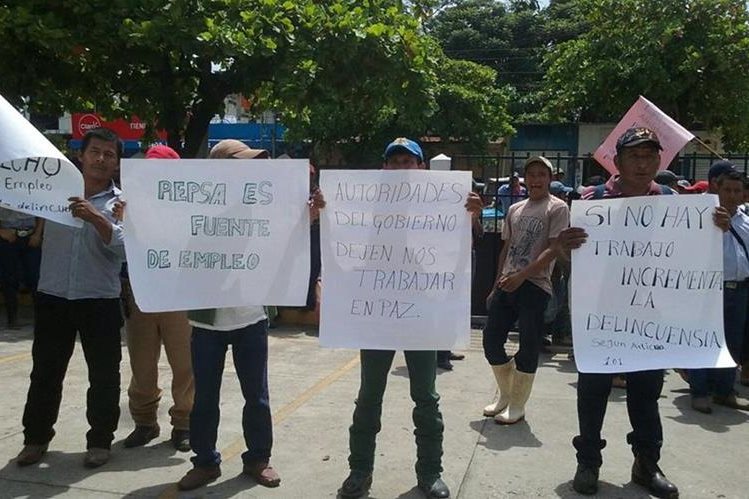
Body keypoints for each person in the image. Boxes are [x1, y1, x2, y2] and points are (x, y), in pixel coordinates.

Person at [555, 127, 731, 498]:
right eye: (634, 155)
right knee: (592, 392)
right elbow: (571, 261)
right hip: (602, 316)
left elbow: (696, 256)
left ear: (659, 161)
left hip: (651, 318)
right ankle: (588, 462)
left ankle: (646, 464)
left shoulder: (674, 201)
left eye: (650, 156)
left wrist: (715, 229)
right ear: (617, 162)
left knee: (647, 394)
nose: (642, 163)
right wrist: (564, 246)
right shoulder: (594, 201)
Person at [336, 138, 482, 499]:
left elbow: (464, 245)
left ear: (421, 168)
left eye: (408, 160)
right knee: (368, 397)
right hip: (378, 314)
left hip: (422, 314)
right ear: (384, 167)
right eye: (395, 160)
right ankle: (359, 471)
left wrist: (472, 213)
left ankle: (430, 473)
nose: (401, 166)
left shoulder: (441, 203)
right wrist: (326, 209)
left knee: (426, 397)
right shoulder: (365, 203)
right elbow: (341, 235)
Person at [177, 139, 326, 491]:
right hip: (206, 321)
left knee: (256, 397)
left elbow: (289, 234)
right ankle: (204, 462)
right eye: (241, 163)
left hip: (251, 318)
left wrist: (312, 215)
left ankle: (258, 458)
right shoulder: (193, 208)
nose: (251, 170)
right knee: (205, 398)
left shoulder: (264, 206)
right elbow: (164, 238)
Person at [16, 127, 126, 468]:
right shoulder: (51, 191)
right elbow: (19, 203)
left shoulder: (121, 203)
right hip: (54, 296)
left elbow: (125, 248)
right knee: (45, 372)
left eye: (109, 154)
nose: (101, 159)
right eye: (95, 152)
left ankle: (99, 442)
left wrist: (95, 218)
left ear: (117, 162)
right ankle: (35, 439)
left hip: (100, 299)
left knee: (105, 375)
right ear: (81, 155)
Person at [481, 156, 569, 425]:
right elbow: (506, 249)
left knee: (529, 344)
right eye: (531, 174)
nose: (536, 179)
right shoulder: (515, 209)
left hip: (535, 283)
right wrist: (497, 283)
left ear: (550, 178)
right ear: (524, 178)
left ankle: (518, 404)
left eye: (542, 174)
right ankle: (506, 394)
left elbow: (554, 248)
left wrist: (522, 276)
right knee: (491, 339)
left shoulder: (557, 207)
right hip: (507, 281)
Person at [121, 145, 194, 451]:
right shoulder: (126, 202)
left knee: (185, 365)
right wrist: (120, 219)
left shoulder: (190, 204)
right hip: (140, 293)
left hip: (180, 294)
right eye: (150, 168)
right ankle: (145, 422)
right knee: (142, 364)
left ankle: (184, 424)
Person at [688, 165, 749, 413]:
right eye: (728, 189)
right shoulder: (703, 218)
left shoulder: (746, 222)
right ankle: (699, 392)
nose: (732, 195)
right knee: (703, 340)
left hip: (740, 290)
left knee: (732, 342)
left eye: (738, 190)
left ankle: (725, 391)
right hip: (709, 290)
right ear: (717, 189)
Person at [0, 209, 43, 328]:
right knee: (9, 279)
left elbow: (42, 210)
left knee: (35, 278)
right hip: (8, 235)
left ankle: (42, 319)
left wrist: (38, 234)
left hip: (31, 235)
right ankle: (12, 319)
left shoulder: (34, 190)